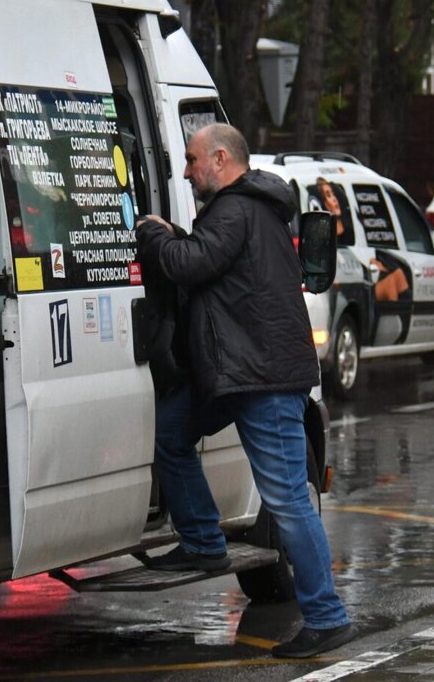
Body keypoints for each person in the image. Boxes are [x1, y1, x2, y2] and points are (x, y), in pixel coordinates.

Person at [134, 123, 357, 659]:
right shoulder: (248, 209)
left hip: (261, 378)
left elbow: (190, 264)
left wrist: (154, 233)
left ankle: (327, 616)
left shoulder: (237, 210)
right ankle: (205, 544)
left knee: (285, 500)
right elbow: (211, 262)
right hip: (236, 373)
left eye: (191, 161)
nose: (186, 172)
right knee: (170, 434)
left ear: (220, 159)